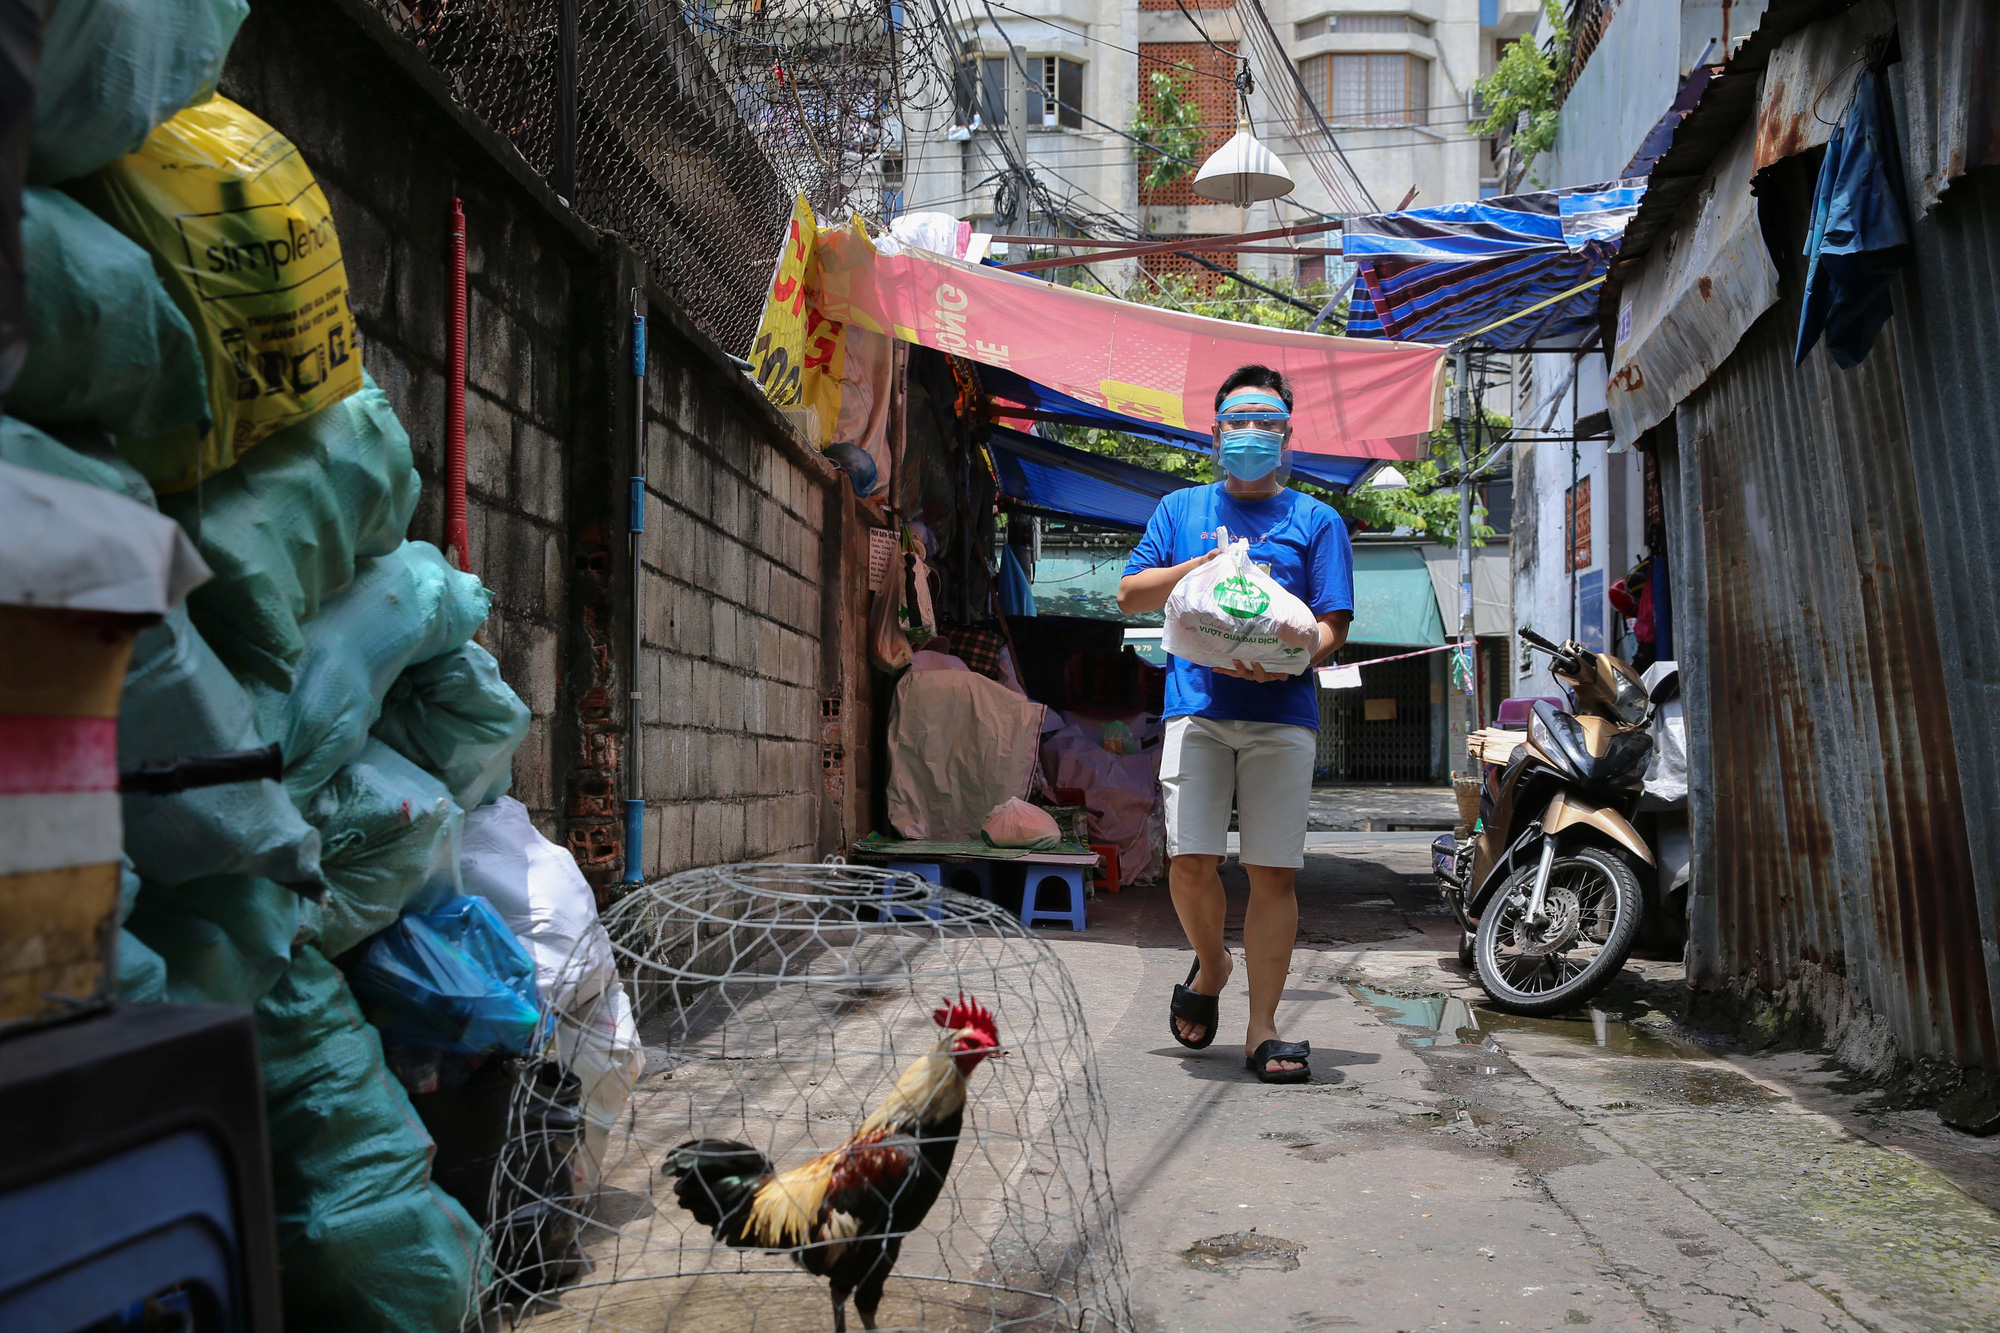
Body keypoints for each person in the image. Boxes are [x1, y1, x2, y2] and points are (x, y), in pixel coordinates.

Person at [1115, 365, 1353, 1083]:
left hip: (1283, 716)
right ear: (1213, 433)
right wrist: (1208, 564)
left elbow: (1332, 625)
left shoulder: (1317, 520)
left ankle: (1262, 1029)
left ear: (1287, 437)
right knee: (1189, 862)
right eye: (1238, 422)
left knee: (1271, 872)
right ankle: (1213, 963)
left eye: (1268, 424)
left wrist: (1288, 658)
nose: (1252, 435)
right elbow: (1130, 595)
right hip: (1198, 709)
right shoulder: (1181, 508)